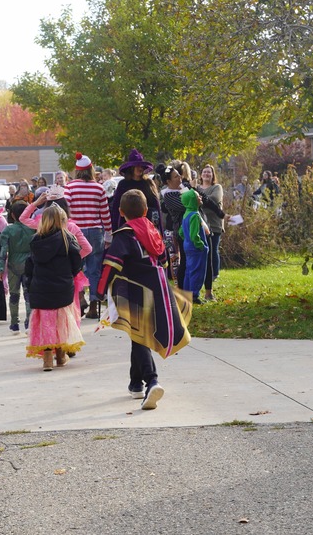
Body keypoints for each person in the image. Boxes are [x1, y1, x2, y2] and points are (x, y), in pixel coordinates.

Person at [99, 189, 189, 410]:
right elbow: (165, 262)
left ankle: (152, 380)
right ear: (147, 210)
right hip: (159, 290)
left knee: (140, 336)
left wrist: (100, 291)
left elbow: (111, 264)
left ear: (120, 212)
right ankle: (135, 383)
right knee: (137, 334)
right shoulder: (153, 231)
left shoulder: (124, 235)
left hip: (136, 291)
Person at [25, 206, 84, 371]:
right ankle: (60, 355)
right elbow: (76, 264)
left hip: (41, 287)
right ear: (62, 221)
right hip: (62, 287)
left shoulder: (36, 240)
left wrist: (30, 283)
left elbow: (29, 265)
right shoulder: (68, 238)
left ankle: (47, 359)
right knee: (60, 321)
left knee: (45, 323)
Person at [65, 152, 112, 318]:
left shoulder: (69, 187)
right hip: (95, 231)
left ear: (77, 170)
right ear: (91, 170)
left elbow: (66, 210)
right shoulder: (99, 188)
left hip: (75, 232)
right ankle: (93, 306)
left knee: (75, 268)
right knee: (94, 270)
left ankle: (80, 297)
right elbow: (105, 214)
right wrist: (108, 236)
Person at [0, 200, 34, 332]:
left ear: (12, 215)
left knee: (14, 295)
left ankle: (14, 322)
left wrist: (1, 268)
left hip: (13, 265)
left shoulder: (8, 230)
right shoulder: (33, 228)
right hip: (30, 265)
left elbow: (3, 251)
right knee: (28, 294)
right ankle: (29, 322)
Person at [194, 165, 225, 302]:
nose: (206, 174)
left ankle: (213, 274)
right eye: (204, 172)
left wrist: (199, 199)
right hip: (199, 225)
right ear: (201, 175)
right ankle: (204, 276)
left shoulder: (217, 187)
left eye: (209, 172)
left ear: (213, 175)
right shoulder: (197, 188)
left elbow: (213, 200)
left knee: (213, 251)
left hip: (214, 225)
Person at [180, 189, 209, 302]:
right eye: (198, 197)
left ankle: (187, 293)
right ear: (193, 200)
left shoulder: (186, 214)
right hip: (196, 249)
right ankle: (194, 295)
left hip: (187, 247)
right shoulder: (195, 215)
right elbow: (194, 235)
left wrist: (186, 240)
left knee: (189, 271)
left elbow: (181, 232)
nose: (200, 197)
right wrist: (200, 245)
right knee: (197, 271)